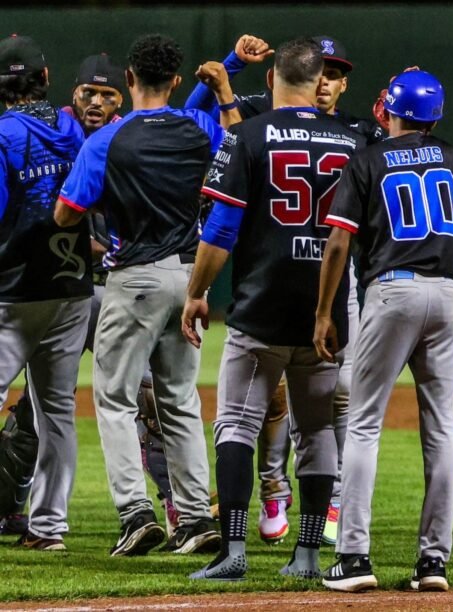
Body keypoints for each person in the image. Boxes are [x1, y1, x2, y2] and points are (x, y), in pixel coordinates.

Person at [181, 37, 366, 581]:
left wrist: (196, 291)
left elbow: (220, 228)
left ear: (271, 80)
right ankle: (307, 554)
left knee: (236, 426)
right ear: (319, 83)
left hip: (261, 305)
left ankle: (234, 552)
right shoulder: (355, 142)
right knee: (318, 432)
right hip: (324, 311)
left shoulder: (245, 135)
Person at [315, 70, 453, 593]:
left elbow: (337, 245)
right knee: (441, 427)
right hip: (443, 295)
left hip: (391, 291)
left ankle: (352, 558)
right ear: (434, 115)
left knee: (365, 424)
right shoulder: (451, 156)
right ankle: (434, 562)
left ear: (389, 109)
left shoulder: (367, 160)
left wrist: (325, 312)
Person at [54, 33, 227, 556]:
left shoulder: (108, 139)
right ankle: (195, 518)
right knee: (178, 401)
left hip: (133, 279)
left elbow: (66, 213)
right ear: (176, 82)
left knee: (114, 400)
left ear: (128, 79)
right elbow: (238, 162)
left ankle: (135, 514)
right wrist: (227, 86)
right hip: (190, 276)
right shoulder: (200, 128)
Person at [0, 34, 91, 551]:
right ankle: (48, 527)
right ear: (47, 79)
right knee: (56, 411)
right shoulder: (74, 129)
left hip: (13, 293)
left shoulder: (3, 134)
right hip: (71, 289)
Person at [61, 53, 124, 135]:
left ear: (120, 100)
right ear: (74, 94)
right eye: (88, 93)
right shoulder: (55, 125)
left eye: (107, 95)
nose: (96, 102)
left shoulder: (124, 134)